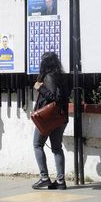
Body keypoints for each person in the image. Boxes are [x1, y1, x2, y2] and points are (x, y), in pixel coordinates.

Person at [32, 52, 69, 190]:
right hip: (61, 118)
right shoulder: (62, 77)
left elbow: (53, 97)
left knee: (37, 144)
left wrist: (39, 87)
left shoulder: (48, 77)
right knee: (57, 148)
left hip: (48, 119)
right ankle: (60, 181)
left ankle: (44, 178)